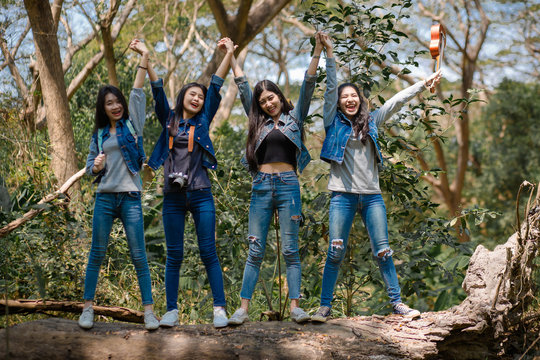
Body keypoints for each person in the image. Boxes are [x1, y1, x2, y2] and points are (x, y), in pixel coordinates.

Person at [311, 34, 443, 322]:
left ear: (360, 100)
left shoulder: (372, 122)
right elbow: (331, 86)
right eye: (344, 97)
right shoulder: (332, 121)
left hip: (372, 196)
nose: (349, 99)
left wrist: (423, 84)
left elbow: (396, 102)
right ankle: (324, 307)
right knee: (335, 252)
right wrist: (329, 53)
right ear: (339, 102)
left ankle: (397, 303)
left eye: (353, 96)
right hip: (342, 197)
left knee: (383, 251)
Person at [226, 33, 325, 325]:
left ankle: (296, 307)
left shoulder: (296, 119)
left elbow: (308, 84)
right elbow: (243, 87)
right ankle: (243, 309)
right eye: (263, 101)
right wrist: (231, 55)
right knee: (255, 249)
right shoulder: (257, 122)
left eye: (271, 98)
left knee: (291, 250)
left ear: (280, 96)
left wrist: (317, 49)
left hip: (288, 187)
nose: (268, 103)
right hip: (261, 187)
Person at [144, 38, 236, 328]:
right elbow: (157, 90)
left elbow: (217, 83)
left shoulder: (204, 119)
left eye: (200, 96)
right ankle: (171, 310)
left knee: (209, 251)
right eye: (192, 94)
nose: (196, 99)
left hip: (201, 193)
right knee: (175, 255)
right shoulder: (169, 119)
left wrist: (230, 53)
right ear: (183, 95)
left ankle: (219, 309)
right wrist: (146, 57)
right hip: (172, 196)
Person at [79, 40, 158, 330]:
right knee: (96, 254)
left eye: (117, 101)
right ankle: (87, 308)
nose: (115, 106)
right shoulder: (99, 134)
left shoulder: (132, 124)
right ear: (103, 107)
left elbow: (138, 92)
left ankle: (149, 311)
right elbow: (90, 168)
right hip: (105, 198)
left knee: (139, 255)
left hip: (130, 197)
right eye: (109, 103)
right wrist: (95, 166)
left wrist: (145, 57)